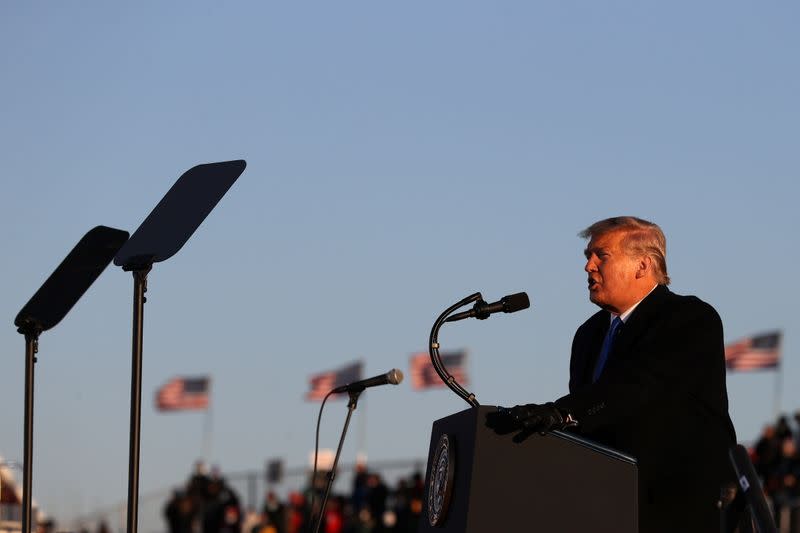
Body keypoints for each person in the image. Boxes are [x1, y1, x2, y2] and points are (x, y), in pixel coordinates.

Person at [500, 216, 737, 532]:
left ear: (642, 266)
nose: (589, 267)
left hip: (679, 509)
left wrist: (562, 412)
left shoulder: (689, 318)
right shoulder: (588, 335)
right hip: (607, 509)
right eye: (588, 257)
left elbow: (638, 386)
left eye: (601, 255)